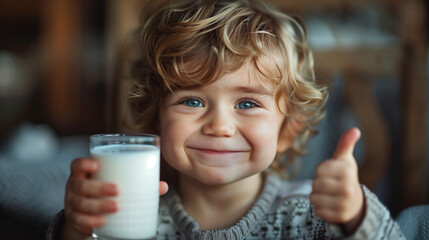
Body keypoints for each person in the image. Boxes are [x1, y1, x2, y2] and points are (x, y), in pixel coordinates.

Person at [46, 0, 405, 239]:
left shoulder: (311, 213)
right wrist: (77, 228)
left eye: (247, 104)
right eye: (191, 100)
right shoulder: (135, 220)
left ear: (287, 129)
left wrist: (357, 216)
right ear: (155, 121)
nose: (219, 126)